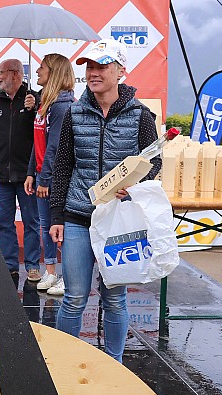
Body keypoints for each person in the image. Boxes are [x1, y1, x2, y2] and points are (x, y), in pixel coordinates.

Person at [49, 39, 160, 364]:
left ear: (120, 71)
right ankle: (65, 364)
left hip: (118, 220)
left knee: (115, 299)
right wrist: (56, 216)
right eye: (90, 67)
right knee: (74, 298)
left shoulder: (141, 115)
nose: (94, 73)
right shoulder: (74, 113)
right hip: (78, 217)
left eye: (102, 66)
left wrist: (136, 186)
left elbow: (154, 161)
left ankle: (114, 364)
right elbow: (62, 167)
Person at [0, 58, 40, 282]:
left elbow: (44, 132)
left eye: (1, 73)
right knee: (4, 223)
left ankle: (33, 265)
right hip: (2, 176)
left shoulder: (35, 100)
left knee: (32, 222)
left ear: (15, 74)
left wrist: (35, 110)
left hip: (28, 176)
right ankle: (9, 265)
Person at [24, 54, 75, 295]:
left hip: (57, 177)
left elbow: (55, 147)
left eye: (42, 67)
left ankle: (69, 276)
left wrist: (45, 179)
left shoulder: (63, 106)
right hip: (42, 174)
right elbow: (38, 142)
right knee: (46, 226)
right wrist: (31, 173)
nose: (37, 71)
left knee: (61, 228)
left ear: (54, 72)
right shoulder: (46, 104)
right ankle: (51, 272)